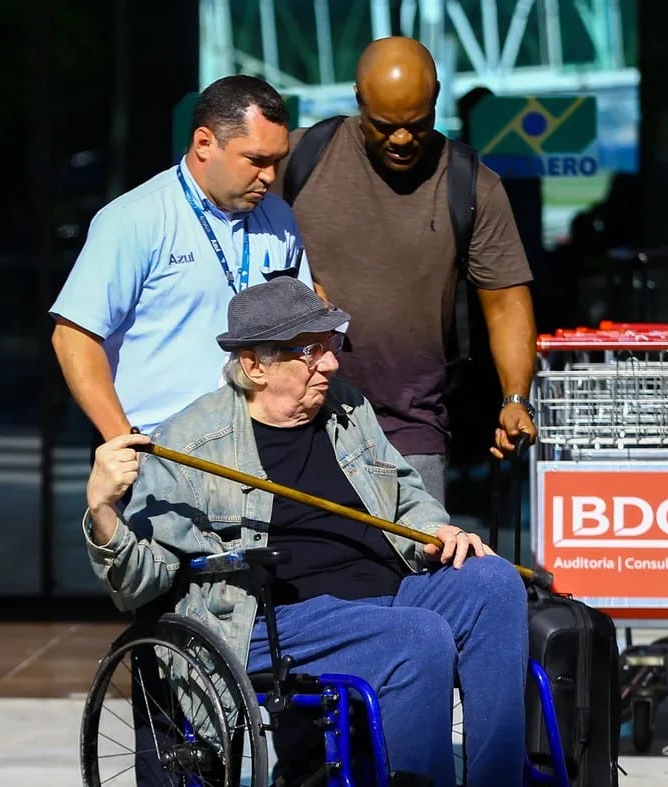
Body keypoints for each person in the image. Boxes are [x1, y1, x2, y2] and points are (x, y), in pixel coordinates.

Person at [85, 277, 529, 787]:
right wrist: (102, 509)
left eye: (331, 345)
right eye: (310, 351)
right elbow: (142, 581)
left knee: (494, 582)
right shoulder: (191, 444)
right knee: (418, 635)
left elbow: (405, 493)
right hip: (273, 619)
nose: (332, 363)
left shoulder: (347, 407)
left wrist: (436, 530)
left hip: (385, 594)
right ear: (254, 366)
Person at [275, 36, 537, 503]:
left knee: (414, 571)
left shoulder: (471, 185)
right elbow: (236, 257)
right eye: (384, 125)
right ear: (359, 99)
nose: (401, 140)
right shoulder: (297, 161)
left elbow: (505, 302)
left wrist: (514, 399)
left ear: (436, 96)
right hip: (295, 416)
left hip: (411, 428)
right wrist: (289, 292)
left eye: (417, 125)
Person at [49, 74, 317, 441]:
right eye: (255, 160)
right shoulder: (134, 219)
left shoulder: (279, 218)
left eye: (277, 161)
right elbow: (73, 338)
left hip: (259, 450)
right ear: (204, 143)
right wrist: (124, 441)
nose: (269, 176)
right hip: (161, 452)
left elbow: (304, 327)